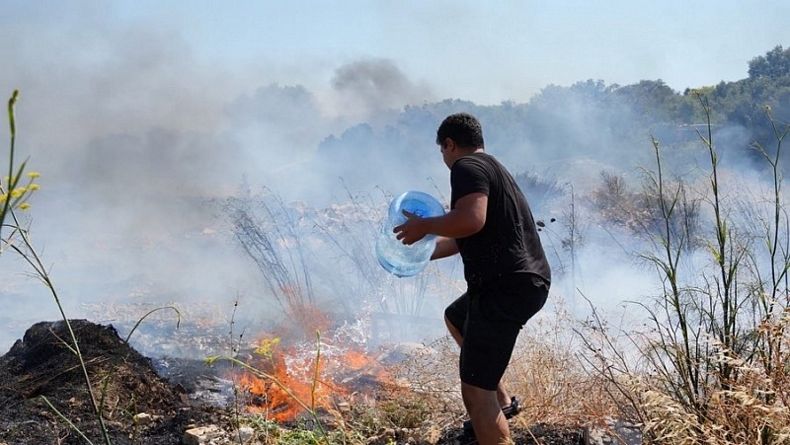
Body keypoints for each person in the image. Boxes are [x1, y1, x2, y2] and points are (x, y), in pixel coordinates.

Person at [394, 113, 551, 445]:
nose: (444, 159)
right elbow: (463, 234)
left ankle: (493, 418)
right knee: (457, 318)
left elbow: (470, 220)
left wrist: (423, 225)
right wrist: (420, 253)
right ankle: (504, 404)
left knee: (475, 393)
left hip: (506, 286)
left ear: (449, 144)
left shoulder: (467, 168)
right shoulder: (493, 168)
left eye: (442, 151)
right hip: (521, 282)